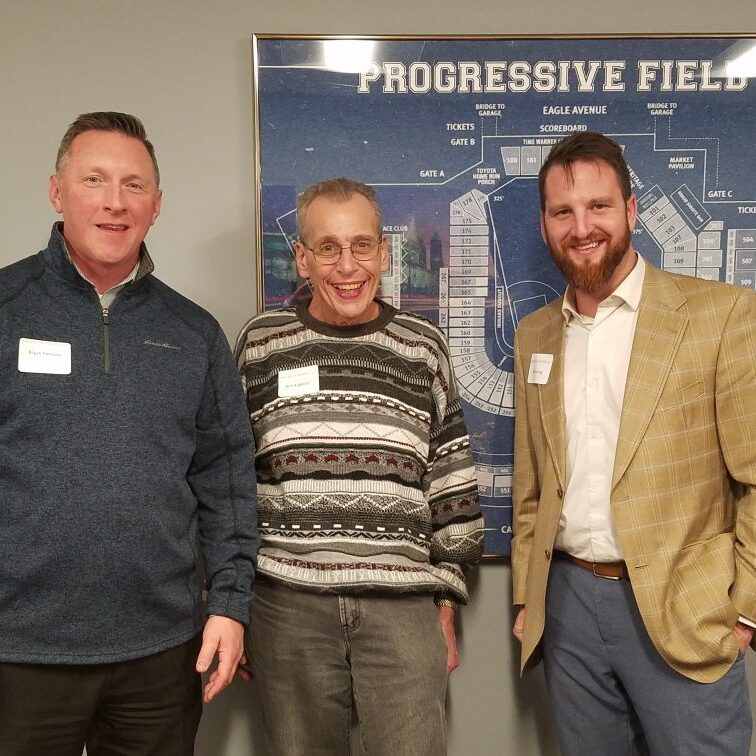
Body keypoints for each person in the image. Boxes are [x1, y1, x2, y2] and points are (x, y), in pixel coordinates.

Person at [0, 112, 258, 755]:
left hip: (161, 655)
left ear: (158, 204)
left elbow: (227, 488)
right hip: (18, 652)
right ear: (57, 192)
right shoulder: (5, 309)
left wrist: (229, 605)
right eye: (95, 180)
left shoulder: (194, 333)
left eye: (134, 186)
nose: (115, 203)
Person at [511, 130, 756, 755]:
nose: (581, 226)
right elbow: (532, 486)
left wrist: (745, 611)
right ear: (544, 224)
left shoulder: (720, 316)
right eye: (563, 212)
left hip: (683, 609)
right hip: (567, 609)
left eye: (598, 206)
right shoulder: (535, 334)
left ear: (632, 210)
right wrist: (526, 600)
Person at [235, 177, 484, 755]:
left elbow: (452, 484)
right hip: (287, 606)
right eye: (328, 247)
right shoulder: (259, 344)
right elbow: (231, 484)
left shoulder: (424, 347)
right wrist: (233, 604)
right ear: (302, 257)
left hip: (401, 610)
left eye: (362, 246)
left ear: (384, 252)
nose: (347, 265)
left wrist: (446, 603)